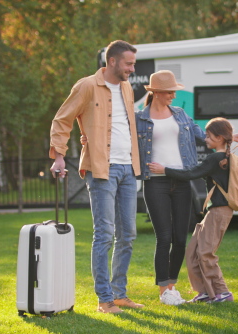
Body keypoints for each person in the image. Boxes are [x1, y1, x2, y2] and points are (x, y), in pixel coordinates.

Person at [135, 70, 238, 306]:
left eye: (174, 92)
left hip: (182, 180)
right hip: (155, 181)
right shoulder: (140, 119)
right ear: (156, 92)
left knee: (179, 237)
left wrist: (231, 136)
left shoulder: (180, 115)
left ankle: (172, 287)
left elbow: (201, 136)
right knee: (163, 237)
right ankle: (163, 290)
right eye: (169, 92)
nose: (173, 97)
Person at [49, 40, 144, 314]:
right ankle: (104, 300)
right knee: (104, 234)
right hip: (101, 168)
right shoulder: (87, 86)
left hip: (128, 168)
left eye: (133, 63)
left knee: (128, 234)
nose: (132, 68)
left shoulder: (127, 87)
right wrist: (58, 156)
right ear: (112, 61)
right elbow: (62, 119)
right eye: (128, 63)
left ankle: (120, 294)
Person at [148, 117, 237, 304]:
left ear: (220, 138)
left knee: (205, 252)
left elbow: (190, 173)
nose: (205, 139)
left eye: (209, 136)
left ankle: (222, 292)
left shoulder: (216, 158)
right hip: (214, 211)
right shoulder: (224, 157)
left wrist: (165, 170)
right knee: (193, 249)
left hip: (219, 211)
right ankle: (203, 291)